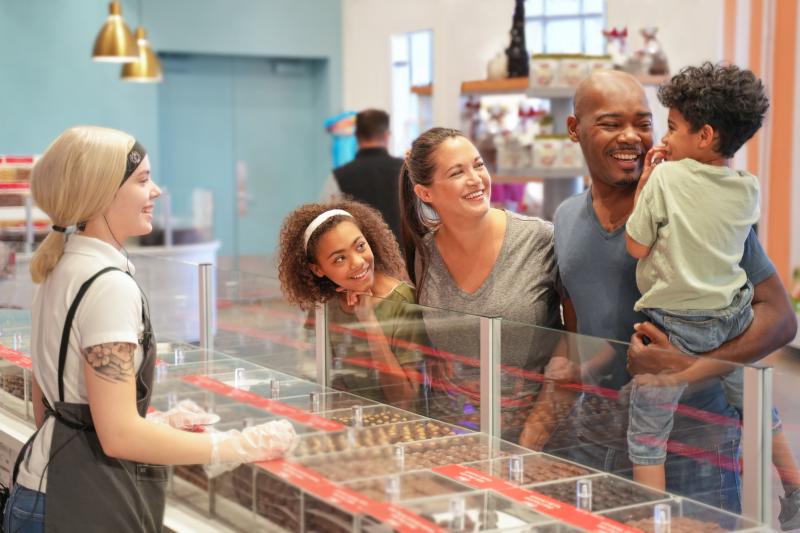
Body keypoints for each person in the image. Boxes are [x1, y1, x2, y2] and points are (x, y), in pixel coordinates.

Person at [6, 126, 297, 533]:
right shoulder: (108, 285)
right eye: (143, 180)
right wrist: (232, 446)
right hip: (77, 505)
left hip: (38, 487)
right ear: (101, 192)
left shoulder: (58, 267)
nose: (156, 191)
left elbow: (48, 405)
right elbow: (119, 436)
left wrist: (154, 425)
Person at [537, 70, 796, 514]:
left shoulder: (693, 208)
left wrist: (689, 366)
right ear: (575, 129)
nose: (632, 137)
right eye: (610, 123)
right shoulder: (563, 219)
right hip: (596, 441)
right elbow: (579, 331)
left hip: (696, 448)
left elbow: (781, 320)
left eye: (644, 122)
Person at [622, 63, 800, 527]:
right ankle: (795, 483)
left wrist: (648, 183)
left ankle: (653, 517)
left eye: (673, 127)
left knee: (647, 434)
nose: (665, 136)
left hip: (673, 327)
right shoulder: (746, 188)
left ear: (703, 135)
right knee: (760, 407)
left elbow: (636, 245)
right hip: (732, 318)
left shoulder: (664, 179)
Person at [399, 127, 563, 440]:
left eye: (478, 165)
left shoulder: (540, 239)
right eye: (457, 172)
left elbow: (574, 347)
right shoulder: (425, 254)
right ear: (425, 193)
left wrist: (532, 439)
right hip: (452, 435)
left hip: (536, 439)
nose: (476, 179)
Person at [277, 200, 424, 409]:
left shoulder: (402, 301)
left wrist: (369, 322)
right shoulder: (324, 305)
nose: (357, 262)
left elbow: (405, 400)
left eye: (360, 246)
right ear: (318, 269)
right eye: (339, 259)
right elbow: (319, 375)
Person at [320, 109, 404, 244]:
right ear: (387, 135)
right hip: (404, 258)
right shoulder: (406, 170)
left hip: (360, 258)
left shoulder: (339, 176)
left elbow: (327, 221)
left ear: (356, 136)